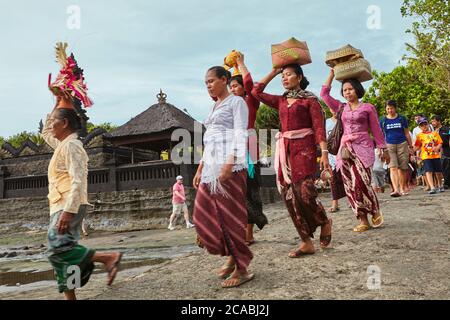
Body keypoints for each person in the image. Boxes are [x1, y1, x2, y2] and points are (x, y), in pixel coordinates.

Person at [42, 95, 122, 300]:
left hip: (68, 204)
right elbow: (45, 133)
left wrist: (68, 212)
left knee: (56, 249)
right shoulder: (62, 144)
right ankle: (71, 298)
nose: (50, 126)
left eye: (53, 122)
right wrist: (57, 102)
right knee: (65, 254)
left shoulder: (72, 146)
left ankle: (107, 257)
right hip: (60, 204)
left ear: (65, 123)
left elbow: (78, 180)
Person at [251, 63, 333, 257]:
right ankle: (306, 241)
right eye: (283, 76)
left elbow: (319, 128)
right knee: (288, 195)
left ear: (299, 77)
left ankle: (324, 221)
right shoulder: (281, 100)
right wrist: (274, 71)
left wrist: (324, 153)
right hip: (284, 151)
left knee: (304, 190)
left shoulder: (310, 100)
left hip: (304, 149)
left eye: (288, 75)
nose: (284, 78)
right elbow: (256, 92)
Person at [193, 66, 254, 288]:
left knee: (231, 217)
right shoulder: (214, 107)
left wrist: (230, 163)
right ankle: (232, 255)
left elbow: (241, 133)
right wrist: (201, 167)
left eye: (211, 80)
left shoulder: (236, 102)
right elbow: (210, 139)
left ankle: (242, 268)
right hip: (211, 168)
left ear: (224, 79)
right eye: (206, 82)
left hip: (231, 166)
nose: (208, 85)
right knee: (202, 214)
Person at [320, 69, 389, 232]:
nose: (347, 92)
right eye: (344, 90)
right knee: (349, 185)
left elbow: (376, 129)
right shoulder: (340, 107)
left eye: (350, 89)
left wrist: (383, 148)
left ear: (357, 89)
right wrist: (331, 73)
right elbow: (324, 94)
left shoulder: (368, 107)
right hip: (344, 149)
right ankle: (362, 219)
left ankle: (374, 209)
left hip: (363, 146)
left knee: (361, 181)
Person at [229, 53, 268, 245]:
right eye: (230, 87)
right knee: (237, 191)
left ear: (243, 88)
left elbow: (250, 82)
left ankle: (249, 233)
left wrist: (240, 63)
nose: (232, 89)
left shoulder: (250, 100)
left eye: (235, 85)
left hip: (250, 148)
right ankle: (242, 229)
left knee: (251, 189)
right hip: (234, 151)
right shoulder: (229, 106)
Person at [379, 100, 413, 197]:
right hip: (389, 145)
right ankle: (396, 190)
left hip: (402, 144)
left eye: (391, 108)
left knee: (403, 167)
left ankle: (402, 188)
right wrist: (381, 148)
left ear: (395, 108)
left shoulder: (402, 118)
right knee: (393, 167)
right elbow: (380, 135)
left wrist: (410, 146)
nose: (390, 110)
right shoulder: (383, 120)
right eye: (388, 108)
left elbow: (406, 132)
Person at [414, 117, 444, 194]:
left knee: (438, 171)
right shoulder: (419, 135)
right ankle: (432, 187)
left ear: (428, 124)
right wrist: (411, 150)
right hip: (426, 156)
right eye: (422, 125)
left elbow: (440, 142)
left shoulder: (434, 133)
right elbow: (417, 146)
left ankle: (440, 185)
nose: (424, 126)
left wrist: (437, 148)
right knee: (428, 171)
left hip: (435, 155)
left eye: (425, 124)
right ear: (420, 127)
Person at [326, 110, 346, 212]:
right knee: (333, 180)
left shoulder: (344, 120)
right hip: (332, 156)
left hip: (345, 154)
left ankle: (354, 201)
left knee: (348, 178)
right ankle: (335, 204)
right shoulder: (326, 123)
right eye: (332, 108)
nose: (334, 111)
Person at [431, 115, 450, 189]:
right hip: (437, 151)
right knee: (441, 167)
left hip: (446, 150)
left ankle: (446, 183)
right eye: (432, 121)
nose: (433, 123)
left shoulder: (447, 129)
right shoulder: (433, 132)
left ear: (439, 121)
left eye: (434, 121)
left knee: (447, 166)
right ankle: (444, 183)